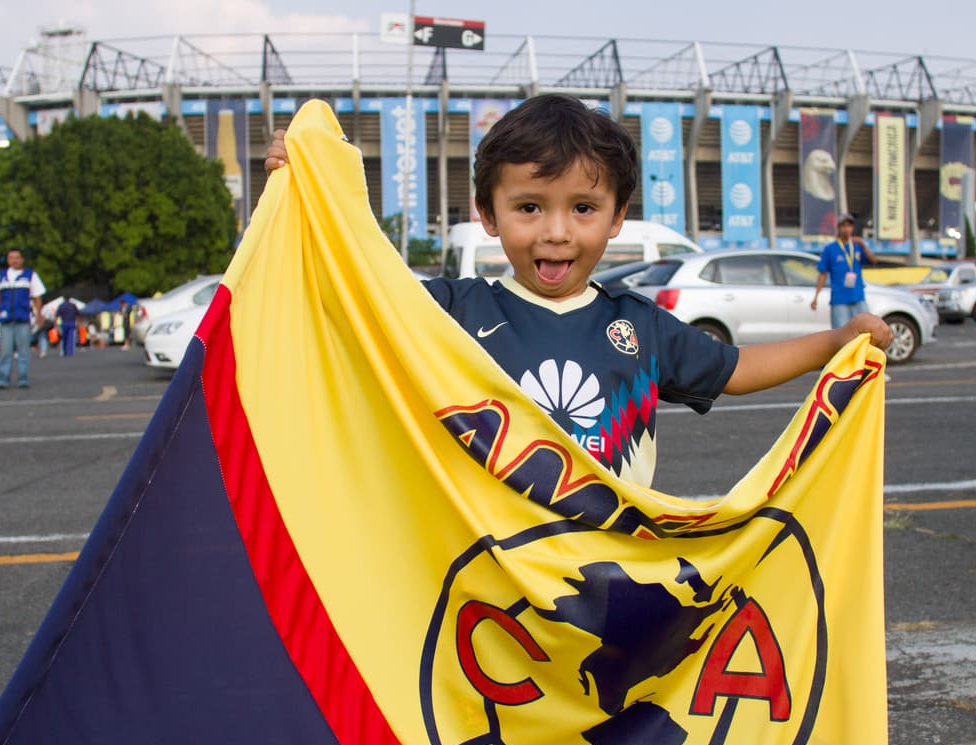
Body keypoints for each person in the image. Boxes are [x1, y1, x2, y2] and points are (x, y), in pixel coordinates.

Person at [265, 95, 891, 486]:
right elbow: (349, 293)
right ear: (488, 213)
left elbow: (735, 367)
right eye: (530, 207)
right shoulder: (453, 311)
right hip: (488, 587)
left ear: (618, 217)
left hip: (610, 584)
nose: (556, 233)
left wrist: (837, 340)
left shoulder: (638, 326)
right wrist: (302, 196)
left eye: (584, 208)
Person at [0, 248, 46, 389]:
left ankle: (23, 378)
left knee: (23, 351)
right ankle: (2, 379)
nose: (14, 260)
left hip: (23, 318)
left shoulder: (30, 275)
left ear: (22, 260)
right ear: (8, 260)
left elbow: (37, 297)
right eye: (11, 258)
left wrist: (39, 314)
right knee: (5, 351)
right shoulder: (1, 276)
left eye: (17, 257)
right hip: (5, 318)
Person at [810, 212, 877, 329]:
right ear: (839, 228)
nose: (847, 229)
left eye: (849, 226)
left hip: (858, 296)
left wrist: (864, 245)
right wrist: (816, 297)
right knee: (841, 334)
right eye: (843, 226)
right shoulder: (830, 249)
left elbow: (873, 260)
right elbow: (822, 274)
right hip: (839, 299)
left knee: (865, 330)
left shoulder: (856, 246)